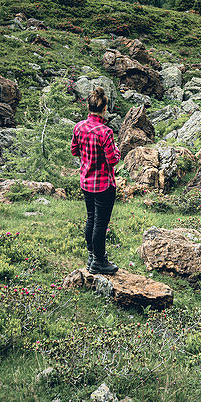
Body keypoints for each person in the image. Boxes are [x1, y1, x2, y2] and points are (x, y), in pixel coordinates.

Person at [71, 87, 120, 275]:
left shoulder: (79, 127)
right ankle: (99, 261)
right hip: (103, 185)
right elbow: (113, 160)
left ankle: (92, 256)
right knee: (101, 223)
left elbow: (74, 151)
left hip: (85, 182)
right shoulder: (105, 132)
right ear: (104, 108)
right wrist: (117, 150)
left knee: (91, 218)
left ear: (89, 106)